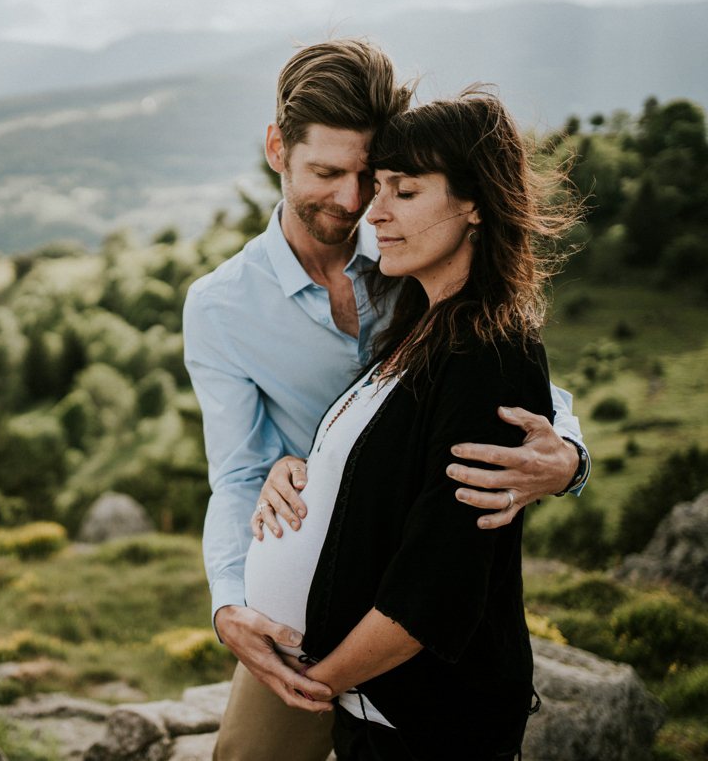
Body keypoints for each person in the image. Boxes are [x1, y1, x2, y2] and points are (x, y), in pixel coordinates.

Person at [181, 38, 589, 761]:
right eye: (326, 172)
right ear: (277, 148)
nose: (352, 203)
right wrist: (227, 603)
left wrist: (569, 459)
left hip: (413, 590)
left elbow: (511, 380)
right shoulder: (220, 307)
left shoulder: (413, 251)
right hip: (310, 603)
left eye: (373, 177)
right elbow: (240, 473)